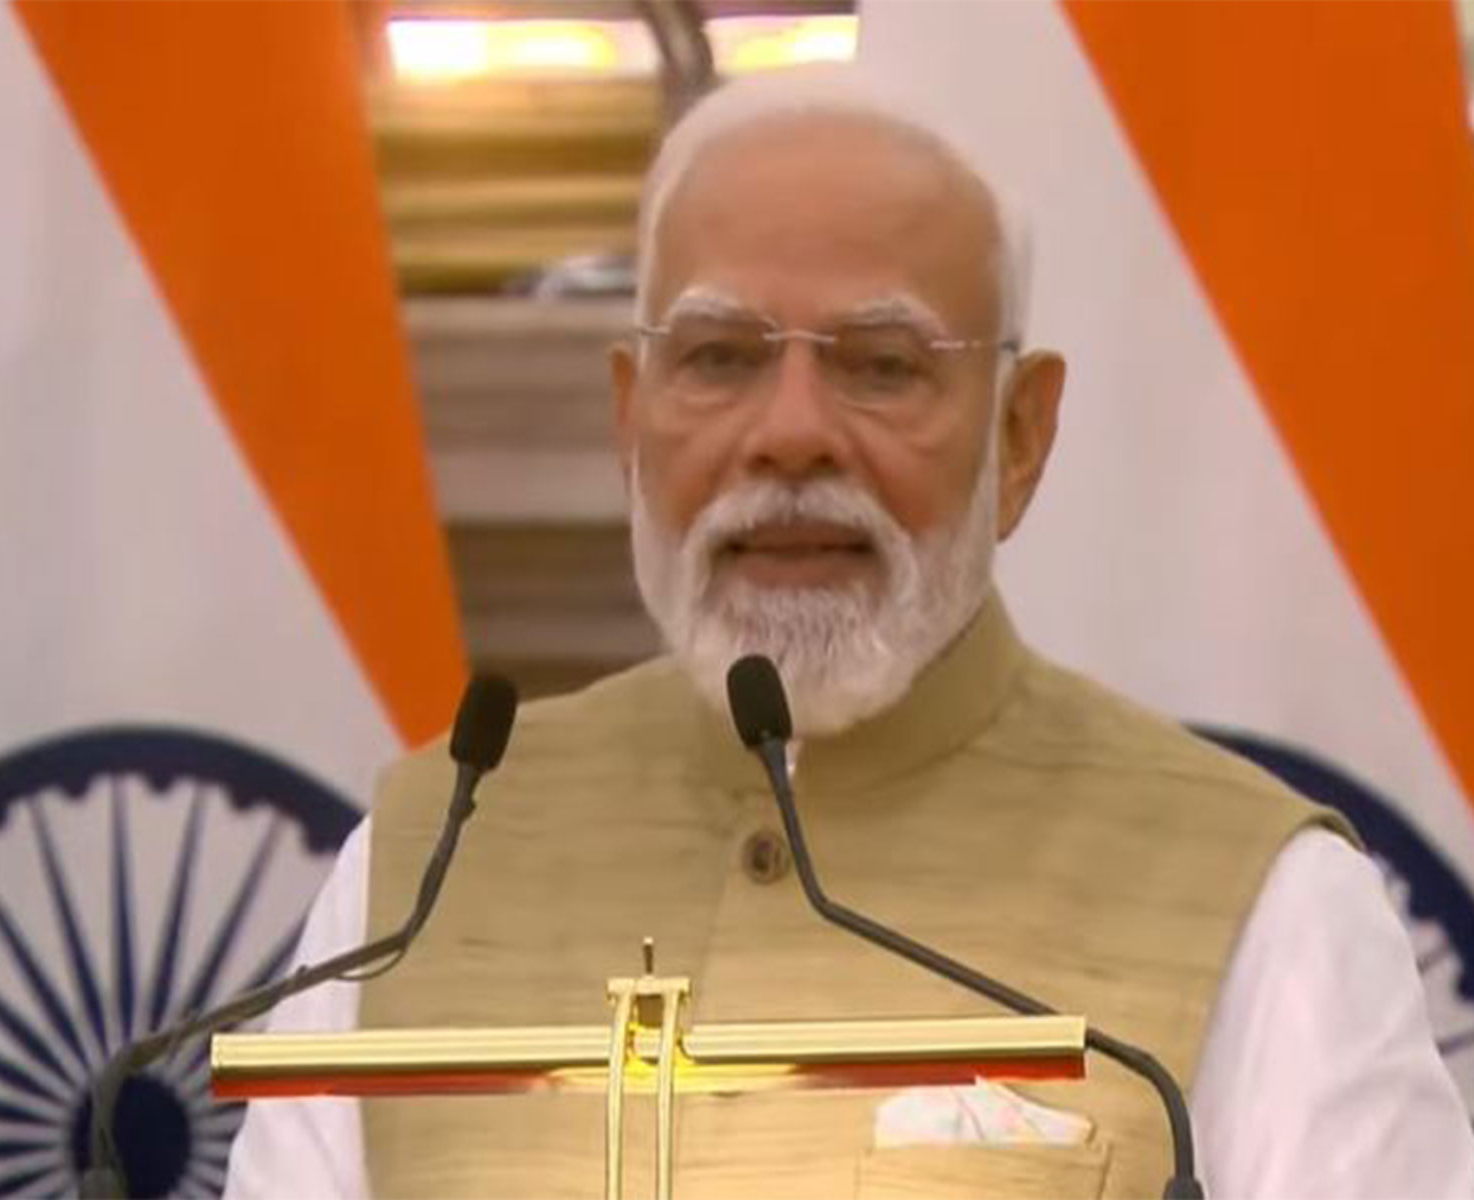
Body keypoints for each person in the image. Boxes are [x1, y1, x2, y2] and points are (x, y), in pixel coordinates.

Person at [225, 65, 1473, 1198]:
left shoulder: (1263, 898)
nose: (790, 433)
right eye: (717, 357)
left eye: (881, 365)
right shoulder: (420, 862)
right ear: (629, 419)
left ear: (1019, 436)